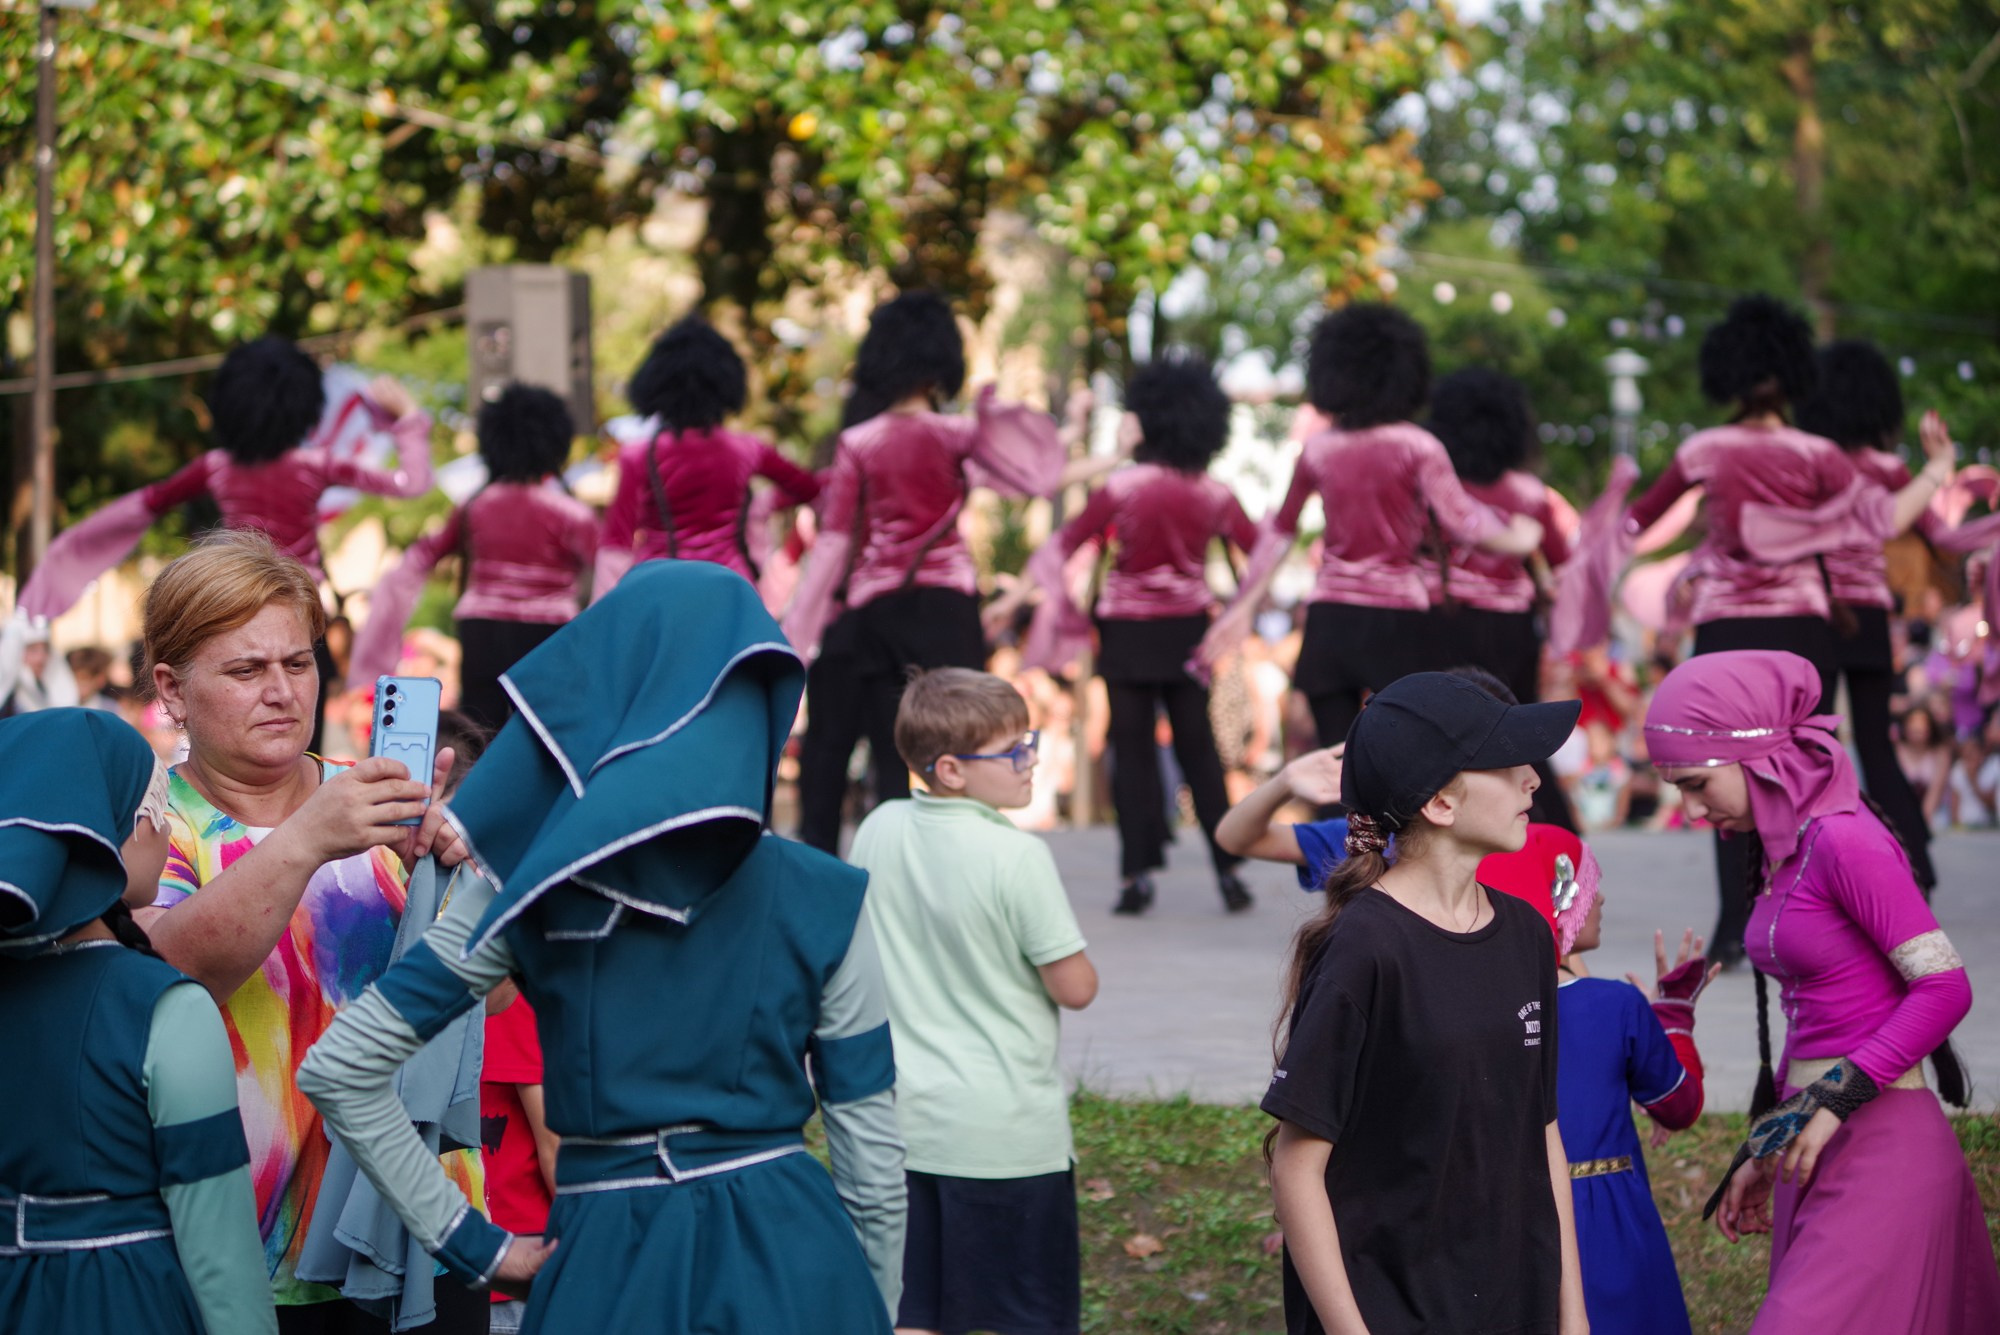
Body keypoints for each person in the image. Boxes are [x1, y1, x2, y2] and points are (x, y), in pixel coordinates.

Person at [298, 560, 905, 1335]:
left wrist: (475, 1247)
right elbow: (873, 1161)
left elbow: (341, 1065)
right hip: (798, 1266)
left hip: (605, 1268)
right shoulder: (830, 896)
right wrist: (872, 1306)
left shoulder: (519, 889)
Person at [132, 529, 483, 1333]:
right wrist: (306, 840)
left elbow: (490, 1004)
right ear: (172, 688)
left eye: (297, 663)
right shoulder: (151, 822)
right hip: (249, 1262)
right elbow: (164, 977)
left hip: (418, 1235)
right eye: (246, 669)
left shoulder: (379, 804)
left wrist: (464, 879)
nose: (282, 691)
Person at [1591, 295, 1955, 965]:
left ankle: (1737, 923)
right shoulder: (1818, 453)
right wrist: (1936, 471)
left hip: (1726, 628)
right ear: (1794, 376)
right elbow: (1880, 520)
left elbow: (1639, 520)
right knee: (1805, 771)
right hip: (1800, 633)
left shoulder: (1704, 448)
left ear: (1726, 373)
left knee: (1714, 772)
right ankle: (1813, 908)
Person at [1647, 650, 2000, 1333]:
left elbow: (1946, 986)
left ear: (1758, 757)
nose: (1689, 810)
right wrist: (1765, 1140)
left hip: (1886, 1147)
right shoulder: (1785, 850)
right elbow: (1812, 1024)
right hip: (1814, 1142)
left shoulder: (1845, 840)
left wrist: (1835, 1099)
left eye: (1696, 783)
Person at [1262, 672, 1586, 1335]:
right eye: (1507, 763)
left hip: (1511, 1302)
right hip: (1388, 1308)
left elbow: (1542, 1130)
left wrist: (1570, 1314)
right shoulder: (1366, 945)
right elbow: (1296, 1167)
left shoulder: (1528, 933)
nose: (1533, 779)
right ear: (1440, 802)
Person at [785, 291, 1098, 850]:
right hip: (949, 608)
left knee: (892, 749)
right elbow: (1033, 476)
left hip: (875, 608)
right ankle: (965, 860)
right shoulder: (959, 435)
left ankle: (893, 869)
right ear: (940, 366)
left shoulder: (857, 442)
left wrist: (797, 628)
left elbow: (834, 544)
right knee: (965, 742)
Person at [0, 708, 276, 1335]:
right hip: (121, 1303)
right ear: (115, 830)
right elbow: (223, 1260)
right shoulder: (162, 1005)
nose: (166, 830)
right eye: (156, 810)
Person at [847, 667, 1097, 1335]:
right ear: (952, 769)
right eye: (1013, 750)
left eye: (1031, 740)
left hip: (904, 1127)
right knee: (1027, 1315)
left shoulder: (877, 828)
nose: (1032, 760)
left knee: (915, 1311)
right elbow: (1076, 988)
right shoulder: (1016, 856)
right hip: (1004, 1136)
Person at [1201, 304, 1545, 752]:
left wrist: (1244, 604)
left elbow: (1281, 532)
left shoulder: (1318, 450)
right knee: (1406, 756)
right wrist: (1519, 536)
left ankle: (1340, 825)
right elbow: (1463, 522)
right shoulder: (1418, 446)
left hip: (1331, 617)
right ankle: (1389, 826)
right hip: (1398, 619)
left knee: (1333, 757)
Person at [1005, 352, 1256, 914]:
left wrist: (1039, 608)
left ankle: (1134, 876)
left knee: (1132, 750)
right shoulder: (1215, 493)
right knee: (1200, 752)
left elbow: (1062, 547)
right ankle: (1230, 869)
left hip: (1123, 632)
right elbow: (1262, 553)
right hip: (1190, 632)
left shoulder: (1120, 489)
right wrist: (1237, 613)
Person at [350, 384, 599, 731]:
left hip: (482, 629)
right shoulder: (572, 513)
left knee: (480, 729)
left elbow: (424, 554)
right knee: (545, 730)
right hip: (549, 629)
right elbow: (607, 570)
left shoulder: (474, 505)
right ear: (555, 442)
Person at [1792, 340, 1948, 889]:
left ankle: (1819, 868)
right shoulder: (1889, 468)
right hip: (1873, 618)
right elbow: (1941, 537)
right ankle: (1918, 867)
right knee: (1878, 747)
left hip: (1822, 614)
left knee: (1815, 747)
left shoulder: (1810, 463)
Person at [1546, 833, 1714, 1335]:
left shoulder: (1476, 1006)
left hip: (1507, 1214)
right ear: (1556, 905)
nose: (1599, 898)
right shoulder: (1613, 1004)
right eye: (1587, 884)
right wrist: (1675, 1019)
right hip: (1604, 1214)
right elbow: (1679, 1105)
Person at [593, 315, 821, 595]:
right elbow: (808, 488)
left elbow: (617, 542)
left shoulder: (638, 455)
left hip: (660, 586)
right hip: (729, 588)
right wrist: (760, 506)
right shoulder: (748, 449)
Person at [1424, 366, 1571, 706]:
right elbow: (1562, 564)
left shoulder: (1436, 489)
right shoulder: (1530, 493)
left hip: (1440, 619)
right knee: (1510, 724)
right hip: (1510, 629)